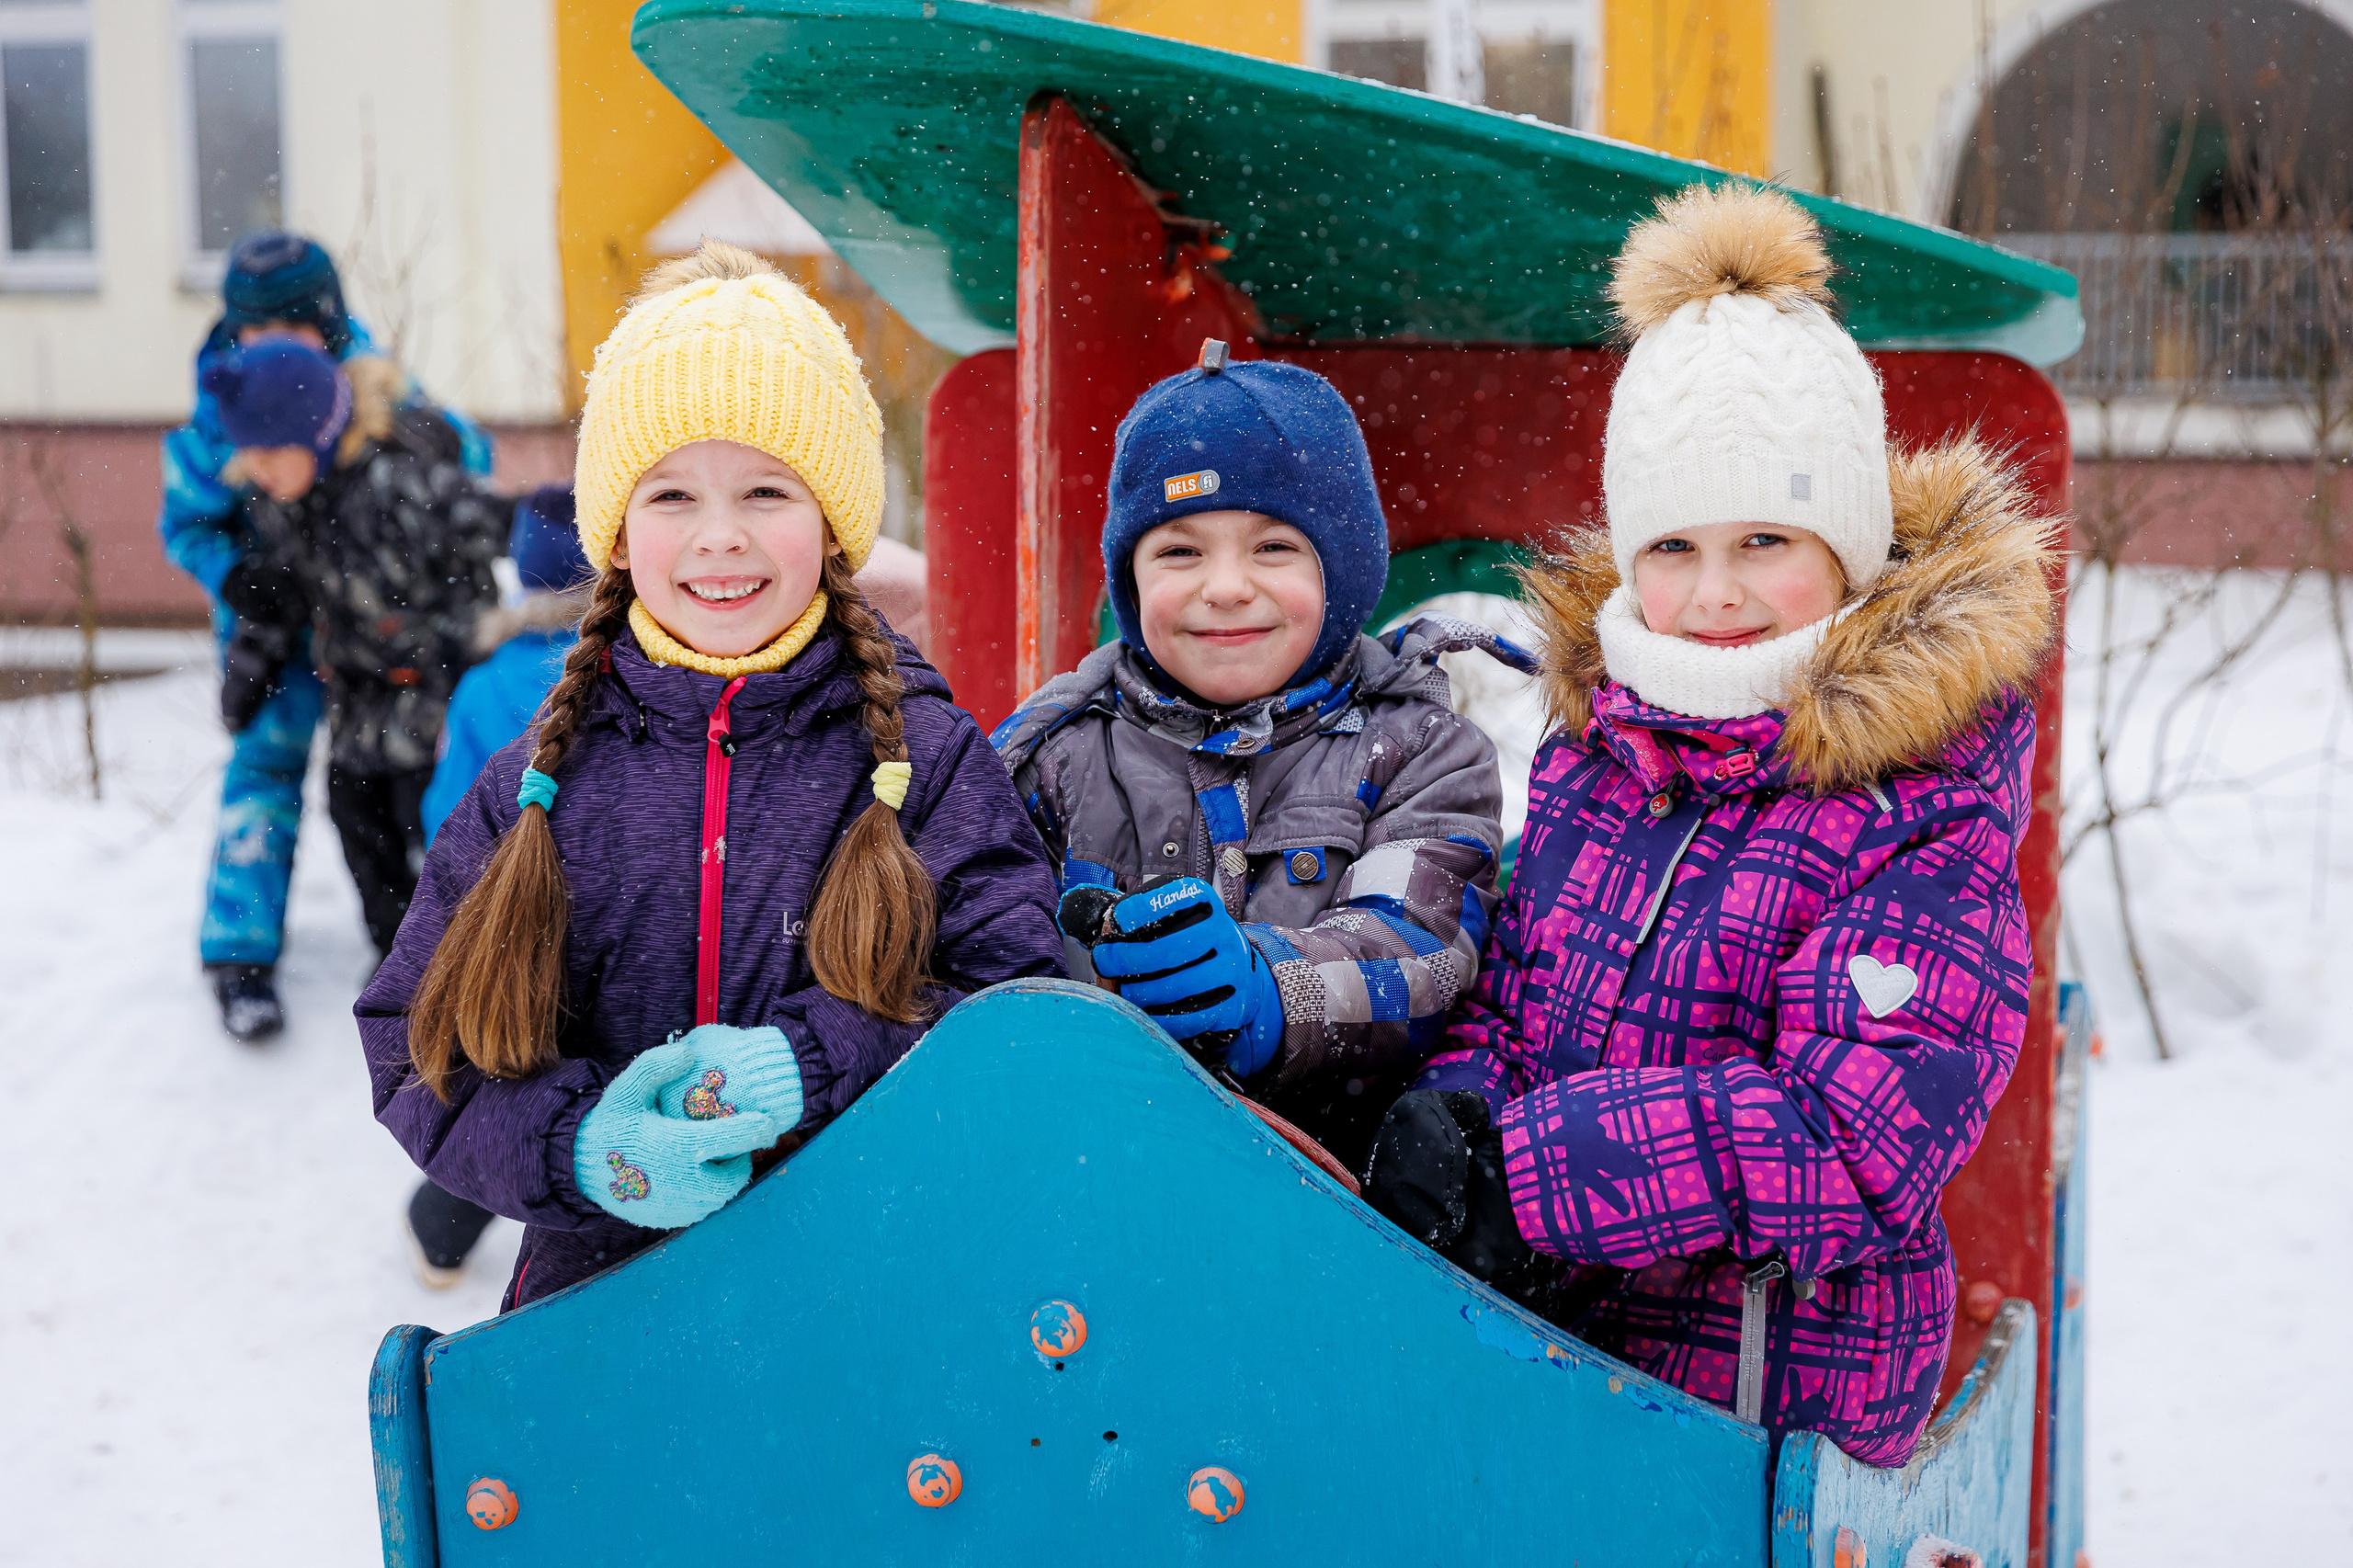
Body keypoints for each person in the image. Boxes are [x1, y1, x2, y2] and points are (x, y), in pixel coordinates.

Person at [1364, 184, 2056, 1466]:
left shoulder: (1921, 806)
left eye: (1765, 539)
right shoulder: (1606, 753)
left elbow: (1849, 1138)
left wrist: (1534, 1173)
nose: (1717, 593)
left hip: (1763, 1426)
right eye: (1672, 545)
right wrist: (1456, 1111)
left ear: (1846, 548)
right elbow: (1516, 997)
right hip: (1566, 1374)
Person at [357, 243, 1064, 1311]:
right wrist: (586, 1143)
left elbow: (1014, 992)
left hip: (878, 1301)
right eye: (673, 493)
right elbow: (421, 1048)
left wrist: (811, 1063)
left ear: (832, 522)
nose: (720, 538)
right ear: (617, 530)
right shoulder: (538, 782)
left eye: (767, 489)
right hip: (604, 1318)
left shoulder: (924, 756)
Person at [991, 348, 1524, 1170]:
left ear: (1340, 572)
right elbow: (969, 951)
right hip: (1086, 1169)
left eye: (1272, 547)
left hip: (1323, 1201)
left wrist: (1267, 987)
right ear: (1131, 582)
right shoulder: (1055, 756)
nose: (1227, 586)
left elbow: (1420, 956)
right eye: (1179, 552)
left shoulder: (1422, 751)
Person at [159, 231, 492, 1041]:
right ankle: (240, 951)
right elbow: (186, 521)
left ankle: (417, 936)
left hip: (376, 632)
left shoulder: (378, 387)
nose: (271, 348)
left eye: (291, 332)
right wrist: (237, 577)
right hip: (274, 624)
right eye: (255, 332)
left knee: (383, 785)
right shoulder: (220, 407)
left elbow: (461, 459)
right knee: (265, 763)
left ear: (330, 325)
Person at [204, 338, 506, 962]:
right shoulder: (285, 500)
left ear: (316, 433)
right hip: (358, 699)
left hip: (434, 694)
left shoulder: (403, 484)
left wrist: (459, 642)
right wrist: (259, 640)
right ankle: (400, 961)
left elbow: (505, 537)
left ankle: (463, 969)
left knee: (436, 827)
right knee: (355, 820)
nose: (256, 467)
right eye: (247, 453)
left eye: (268, 451)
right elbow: (293, 587)